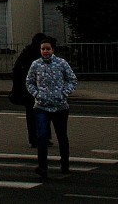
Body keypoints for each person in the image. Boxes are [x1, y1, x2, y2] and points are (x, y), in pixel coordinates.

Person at [26, 37, 78, 178]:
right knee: (42, 136)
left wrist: (64, 93)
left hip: (60, 107)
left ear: (53, 50)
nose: (45, 51)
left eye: (48, 49)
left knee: (62, 136)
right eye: (43, 49)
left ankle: (65, 164)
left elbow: (72, 80)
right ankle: (43, 166)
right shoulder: (36, 65)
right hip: (41, 107)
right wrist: (37, 94)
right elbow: (29, 82)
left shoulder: (61, 63)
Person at [12, 32, 52, 147]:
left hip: (30, 89)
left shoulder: (27, 53)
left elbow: (17, 71)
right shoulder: (37, 54)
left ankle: (36, 139)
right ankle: (40, 138)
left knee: (33, 115)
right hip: (35, 89)